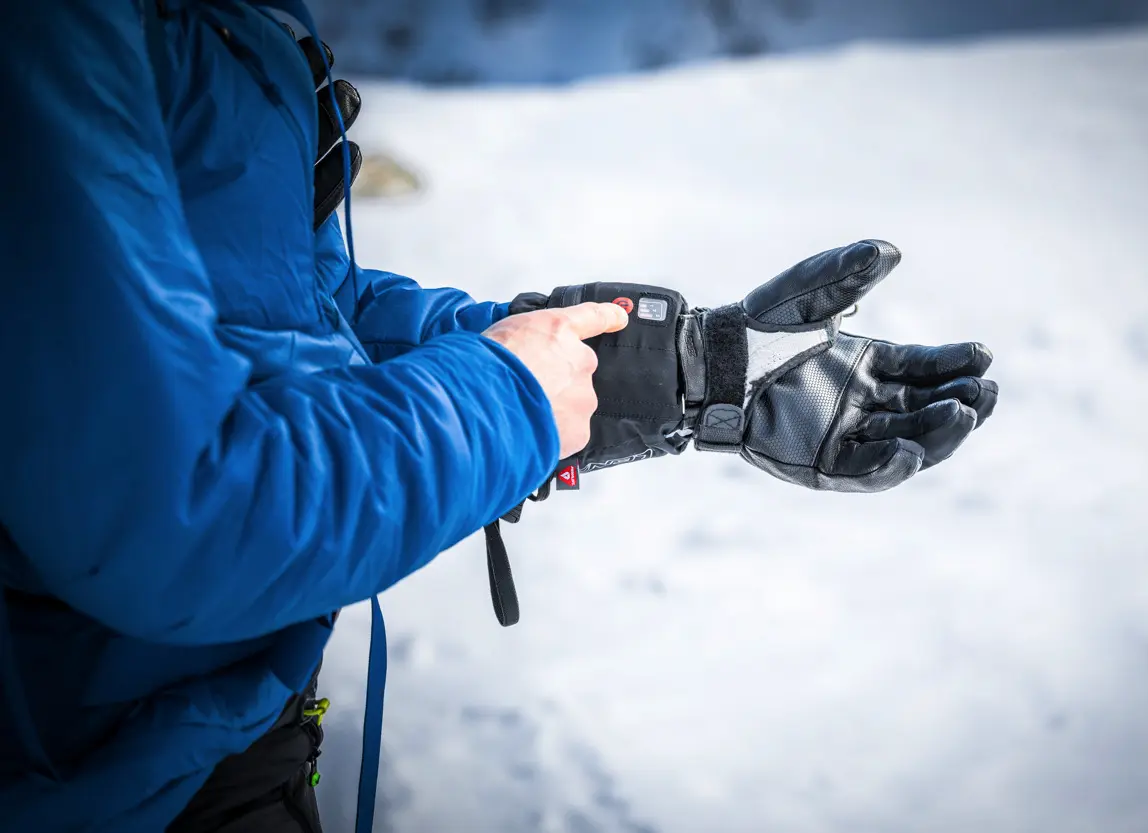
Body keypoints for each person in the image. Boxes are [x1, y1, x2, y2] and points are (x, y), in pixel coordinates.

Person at [0, 2, 997, 832]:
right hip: (95, 777)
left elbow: (289, 311)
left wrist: (670, 369)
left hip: (200, 730)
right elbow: (177, 516)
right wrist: (509, 395)